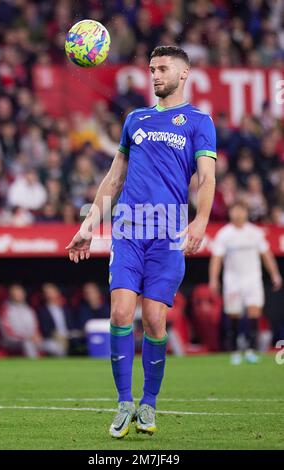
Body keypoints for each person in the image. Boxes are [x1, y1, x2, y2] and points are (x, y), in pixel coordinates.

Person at [66, 46, 216, 438]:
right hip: (129, 228)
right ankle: (123, 402)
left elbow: (207, 178)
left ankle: (148, 404)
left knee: (153, 319)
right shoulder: (136, 119)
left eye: (162, 68)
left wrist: (200, 220)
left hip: (168, 230)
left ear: (183, 74)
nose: (154, 75)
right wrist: (87, 225)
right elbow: (114, 179)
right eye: (151, 69)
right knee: (119, 313)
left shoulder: (199, 122)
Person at [209, 201, 282, 365]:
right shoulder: (224, 234)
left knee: (253, 313)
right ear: (230, 213)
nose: (238, 214)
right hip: (233, 280)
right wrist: (214, 279)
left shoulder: (255, 232)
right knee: (234, 315)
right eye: (235, 210)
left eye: (241, 210)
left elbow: (266, 255)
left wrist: (275, 274)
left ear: (246, 212)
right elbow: (216, 259)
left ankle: (250, 350)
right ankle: (235, 351)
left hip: (252, 279)